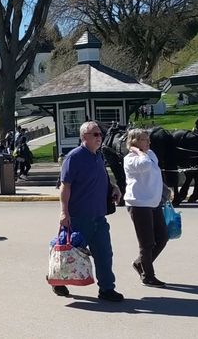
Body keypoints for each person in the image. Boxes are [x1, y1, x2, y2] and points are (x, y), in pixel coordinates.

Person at [53, 121, 123, 302]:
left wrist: (113, 187)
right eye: (95, 134)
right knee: (68, 252)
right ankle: (57, 280)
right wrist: (64, 212)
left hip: (99, 216)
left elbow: (101, 177)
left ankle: (107, 289)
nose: (100, 137)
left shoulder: (98, 156)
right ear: (84, 137)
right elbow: (65, 186)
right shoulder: (73, 157)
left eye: (100, 134)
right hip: (78, 217)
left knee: (104, 254)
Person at [123, 129, 168, 288]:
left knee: (163, 237)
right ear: (134, 142)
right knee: (147, 242)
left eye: (148, 139)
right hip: (138, 204)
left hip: (154, 203)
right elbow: (145, 165)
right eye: (144, 139)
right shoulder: (130, 159)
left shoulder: (150, 154)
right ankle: (148, 275)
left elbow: (154, 171)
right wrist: (136, 150)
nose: (149, 142)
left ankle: (140, 263)